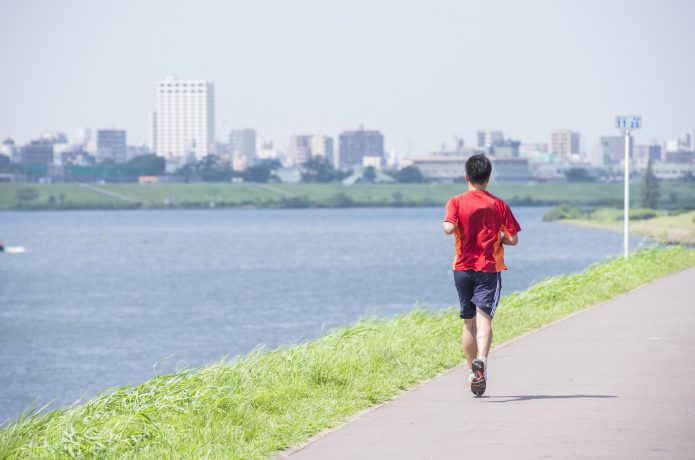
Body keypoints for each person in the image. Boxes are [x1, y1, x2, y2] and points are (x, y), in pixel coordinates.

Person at [443, 154, 521, 397]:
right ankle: (482, 363)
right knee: (484, 319)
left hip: (462, 269)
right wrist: (498, 238)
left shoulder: (455, 202)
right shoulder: (499, 205)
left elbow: (447, 228)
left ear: (466, 177)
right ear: (488, 179)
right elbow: (514, 239)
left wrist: (454, 226)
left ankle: (470, 372)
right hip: (488, 268)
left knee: (468, 322)